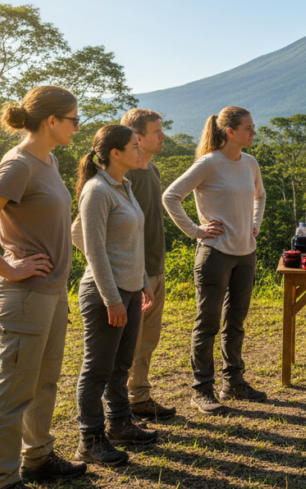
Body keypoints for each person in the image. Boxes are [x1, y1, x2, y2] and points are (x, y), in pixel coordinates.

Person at [0, 86, 87, 489]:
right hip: (25, 294)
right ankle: (2, 479)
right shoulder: (19, 165)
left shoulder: (49, 160)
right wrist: (10, 269)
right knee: (14, 390)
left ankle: (39, 459)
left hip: (51, 291)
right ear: (51, 121)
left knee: (44, 382)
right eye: (73, 120)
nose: (77, 128)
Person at [163, 106, 266, 414]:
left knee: (236, 322)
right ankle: (202, 390)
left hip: (246, 252)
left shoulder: (250, 163)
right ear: (230, 132)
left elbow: (260, 196)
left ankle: (233, 383)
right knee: (207, 323)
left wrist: (255, 223)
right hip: (215, 254)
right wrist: (196, 231)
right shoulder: (208, 164)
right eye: (248, 128)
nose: (253, 132)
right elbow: (170, 196)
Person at [72, 124, 158, 466]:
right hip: (104, 292)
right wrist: (112, 299)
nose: (141, 151)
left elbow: (129, 241)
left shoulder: (125, 185)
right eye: (135, 146)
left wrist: (141, 282)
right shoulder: (96, 190)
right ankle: (90, 440)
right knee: (97, 368)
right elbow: (93, 249)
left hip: (130, 289)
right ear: (115, 154)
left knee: (121, 363)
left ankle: (120, 424)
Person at [119, 109, 176, 422]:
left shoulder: (151, 170)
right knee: (127, 343)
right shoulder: (128, 175)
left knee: (148, 340)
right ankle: (118, 404)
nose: (163, 136)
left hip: (154, 269)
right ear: (138, 137)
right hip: (133, 274)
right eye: (157, 131)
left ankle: (139, 396)